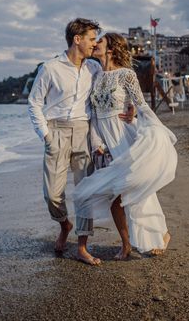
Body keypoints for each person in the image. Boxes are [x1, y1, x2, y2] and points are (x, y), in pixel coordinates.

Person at [28, 19, 133, 265]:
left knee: (84, 193)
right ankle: (65, 225)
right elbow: (34, 102)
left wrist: (131, 109)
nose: (94, 43)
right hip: (56, 131)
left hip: (84, 132)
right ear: (77, 39)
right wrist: (45, 135)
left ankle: (82, 246)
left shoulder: (94, 68)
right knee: (52, 195)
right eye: (91, 39)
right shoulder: (50, 68)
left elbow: (112, 91)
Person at [73, 32, 178, 264]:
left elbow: (141, 106)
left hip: (122, 138)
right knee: (113, 197)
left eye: (100, 41)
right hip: (104, 140)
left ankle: (158, 235)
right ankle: (127, 243)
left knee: (132, 192)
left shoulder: (126, 75)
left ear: (111, 48)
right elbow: (93, 115)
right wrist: (96, 142)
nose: (96, 44)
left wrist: (154, 129)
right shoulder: (96, 75)